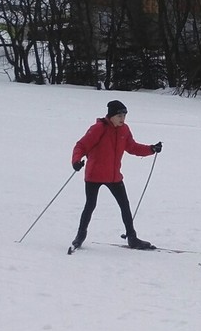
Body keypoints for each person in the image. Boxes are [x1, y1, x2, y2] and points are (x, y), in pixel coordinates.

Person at [69, 99, 161, 252]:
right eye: (119, 116)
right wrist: (76, 161)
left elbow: (132, 147)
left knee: (124, 205)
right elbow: (81, 145)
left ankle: (132, 237)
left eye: (124, 116)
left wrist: (151, 149)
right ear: (111, 116)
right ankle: (80, 236)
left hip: (114, 176)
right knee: (90, 205)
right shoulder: (99, 128)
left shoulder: (124, 130)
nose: (123, 119)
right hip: (94, 176)